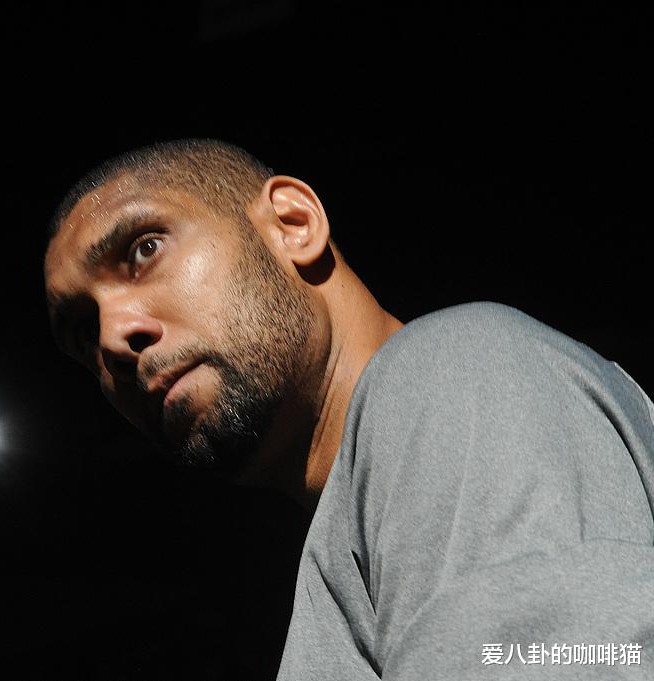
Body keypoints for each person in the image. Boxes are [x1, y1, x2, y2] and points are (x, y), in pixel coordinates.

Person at [43, 138, 654, 678]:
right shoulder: (340, 552)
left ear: (293, 223)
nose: (112, 338)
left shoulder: (453, 369)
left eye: (145, 249)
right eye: (82, 332)